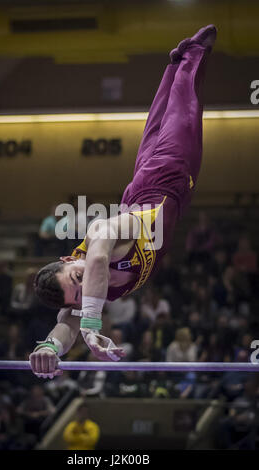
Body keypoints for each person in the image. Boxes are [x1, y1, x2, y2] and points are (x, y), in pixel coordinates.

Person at [30, 25, 217, 377]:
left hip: (165, 179)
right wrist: (49, 347)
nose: (84, 285)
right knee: (161, 115)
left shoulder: (103, 235)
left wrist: (91, 323)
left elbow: (98, 259)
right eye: (79, 292)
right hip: (144, 182)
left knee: (185, 112)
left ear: (71, 258)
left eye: (76, 276)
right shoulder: (87, 297)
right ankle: (174, 63)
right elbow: (64, 326)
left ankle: (192, 53)